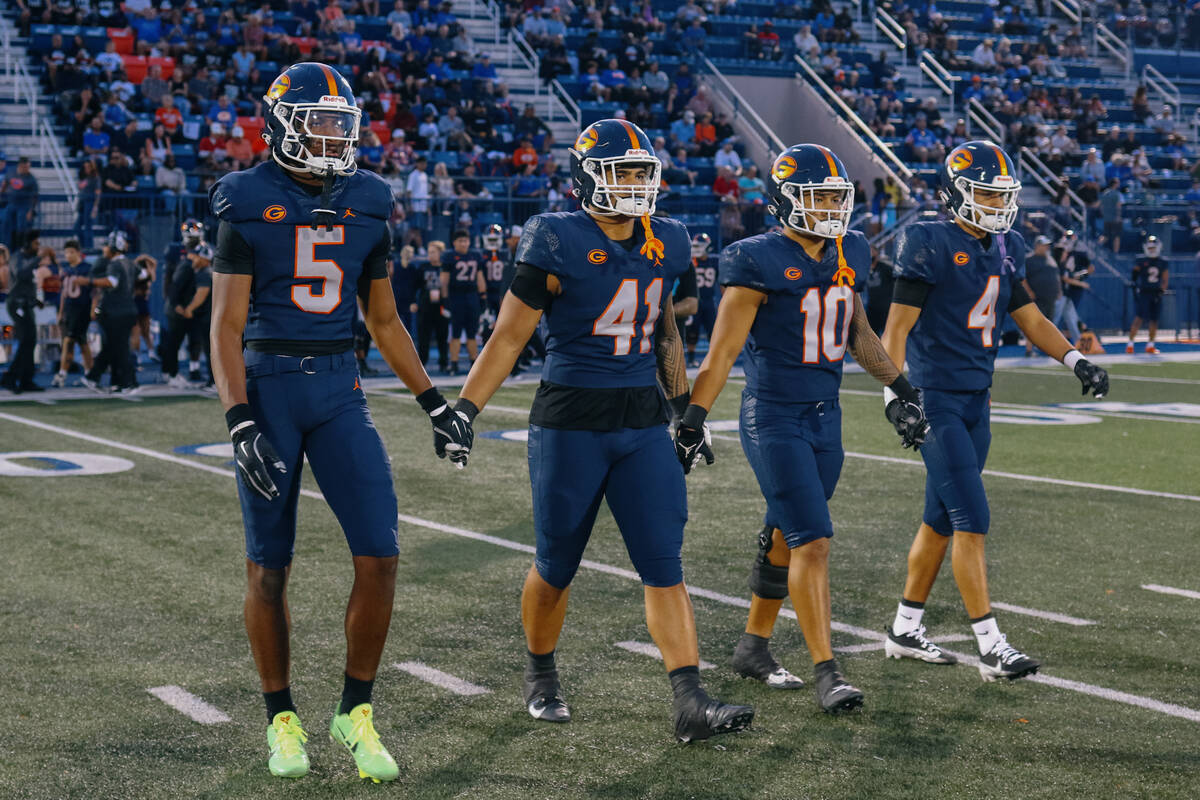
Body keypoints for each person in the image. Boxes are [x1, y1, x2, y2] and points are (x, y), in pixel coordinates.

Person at [444, 118, 754, 743]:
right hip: (571, 422)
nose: (637, 185)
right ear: (588, 177)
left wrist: (685, 413)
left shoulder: (666, 236)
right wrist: (466, 409)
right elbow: (510, 335)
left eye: (643, 172)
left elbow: (666, 330)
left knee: (664, 562)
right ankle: (540, 673)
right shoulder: (554, 236)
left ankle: (690, 701)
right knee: (557, 565)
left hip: (641, 420)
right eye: (624, 173)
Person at [207, 62, 470, 782]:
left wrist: (435, 403)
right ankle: (280, 719)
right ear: (284, 124)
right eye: (319, 122)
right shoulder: (244, 196)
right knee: (269, 567)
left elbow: (383, 320)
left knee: (381, 553)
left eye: (340, 124)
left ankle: (355, 711)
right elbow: (225, 327)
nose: (331, 137)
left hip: (338, 386)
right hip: (267, 384)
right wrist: (237, 419)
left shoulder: (369, 198)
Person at [673, 145, 929, 712]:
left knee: (788, 533)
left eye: (839, 197)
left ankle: (752, 647)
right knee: (813, 539)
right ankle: (828, 672)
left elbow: (858, 330)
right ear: (786, 201)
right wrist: (692, 418)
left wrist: (902, 389)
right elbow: (723, 353)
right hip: (774, 416)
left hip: (826, 417)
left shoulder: (851, 248)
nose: (833, 209)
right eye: (820, 198)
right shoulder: (756, 258)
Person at [880, 141, 1109, 681]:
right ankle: (990, 643)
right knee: (972, 519)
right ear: (955, 192)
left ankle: (904, 628)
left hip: (977, 400)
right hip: (935, 399)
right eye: (985, 192)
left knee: (939, 519)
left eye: (1002, 194)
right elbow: (896, 330)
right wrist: (896, 397)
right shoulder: (927, 240)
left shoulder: (1006, 246)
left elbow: (1028, 316)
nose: (995, 203)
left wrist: (1075, 360)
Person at [80, 230, 143, 393]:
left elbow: (112, 282)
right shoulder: (129, 262)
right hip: (126, 310)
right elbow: (143, 274)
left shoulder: (113, 263)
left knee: (117, 348)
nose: (105, 248)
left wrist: (88, 281)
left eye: (108, 245)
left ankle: (111, 380)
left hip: (115, 311)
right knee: (116, 347)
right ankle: (119, 381)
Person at [0, 230, 44, 393]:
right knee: (26, 341)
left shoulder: (28, 259)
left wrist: (36, 300)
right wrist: (39, 259)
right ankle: (10, 377)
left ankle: (26, 379)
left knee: (31, 341)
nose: (38, 246)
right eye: (35, 243)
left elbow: (29, 283)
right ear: (27, 244)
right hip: (17, 304)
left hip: (27, 305)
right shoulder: (18, 257)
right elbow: (21, 274)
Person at [440, 228, 487, 374]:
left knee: (472, 334)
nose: (463, 243)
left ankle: (474, 364)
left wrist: (483, 297)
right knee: (456, 333)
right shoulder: (449, 256)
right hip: (456, 296)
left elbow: (480, 277)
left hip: (472, 296)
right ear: (454, 243)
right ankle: (454, 364)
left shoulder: (475, 255)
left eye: (465, 240)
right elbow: (444, 280)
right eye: (460, 241)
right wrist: (445, 300)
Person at [52, 239, 95, 387]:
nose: (68, 255)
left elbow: (95, 290)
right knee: (79, 342)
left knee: (70, 341)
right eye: (66, 252)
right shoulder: (66, 270)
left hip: (82, 308)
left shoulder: (87, 268)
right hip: (69, 310)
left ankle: (63, 373)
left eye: (71, 252)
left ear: (78, 253)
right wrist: (61, 312)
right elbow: (63, 293)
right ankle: (89, 373)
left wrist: (93, 308)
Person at [1127, 235, 1168, 355]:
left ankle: (1150, 345)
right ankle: (1130, 344)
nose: (1152, 250)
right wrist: (1134, 280)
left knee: (1154, 320)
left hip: (1156, 292)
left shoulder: (1162, 261)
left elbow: (1165, 279)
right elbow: (1134, 273)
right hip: (1144, 292)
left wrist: (1162, 290)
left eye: (1153, 247)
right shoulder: (1141, 260)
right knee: (1139, 318)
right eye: (1150, 248)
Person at [684, 233, 718, 368]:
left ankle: (714, 359)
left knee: (713, 331)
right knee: (692, 332)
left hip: (708, 301)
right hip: (693, 300)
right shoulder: (690, 261)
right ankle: (691, 359)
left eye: (699, 246)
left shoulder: (714, 261)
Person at [416, 240, 450, 373]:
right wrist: (414, 301)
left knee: (443, 335)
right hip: (426, 306)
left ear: (440, 253)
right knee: (424, 336)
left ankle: (443, 362)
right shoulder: (423, 267)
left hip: (441, 306)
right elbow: (415, 286)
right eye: (429, 252)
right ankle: (421, 364)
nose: (430, 255)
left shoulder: (445, 267)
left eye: (433, 252)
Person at [1022, 235, 1060, 356]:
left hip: (1050, 297)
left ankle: (1048, 349)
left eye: (1047, 245)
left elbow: (1056, 275)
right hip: (1037, 297)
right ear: (1037, 246)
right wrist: (1029, 292)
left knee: (1049, 324)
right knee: (1034, 324)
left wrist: (1059, 290)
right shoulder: (1029, 259)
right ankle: (1029, 349)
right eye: (1044, 245)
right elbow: (1022, 278)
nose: (1046, 248)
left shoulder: (1050, 259)